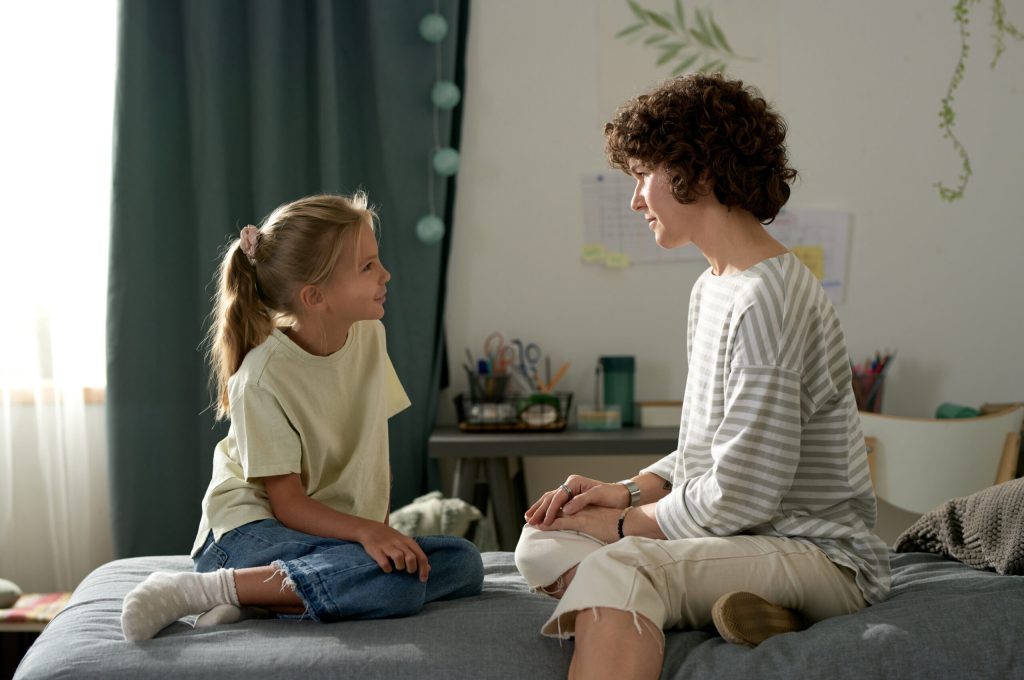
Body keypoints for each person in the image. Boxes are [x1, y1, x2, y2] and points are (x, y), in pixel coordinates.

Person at [514, 73, 890, 679]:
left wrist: (620, 527)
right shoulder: (713, 287)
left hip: (817, 554)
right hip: (742, 538)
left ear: (703, 173)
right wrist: (629, 491)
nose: (635, 200)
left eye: (643, 175)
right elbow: (706, 456)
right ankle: (756, 607)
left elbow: (744, 491)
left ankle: (773, 602)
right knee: (541, 544)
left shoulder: (770, 298)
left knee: (620, 566)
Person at [120, 193, 483, 641]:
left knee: (463, 561)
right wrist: (365, 537)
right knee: (397, 588)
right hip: (249, 533)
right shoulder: (261, 377)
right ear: (315, 296)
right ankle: (204, 588)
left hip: (328, 539)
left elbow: (372, 456)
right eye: (367, 266)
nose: (385, 274)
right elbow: (286, 504)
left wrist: (378, 534)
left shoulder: (371, 336)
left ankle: (260, 600)